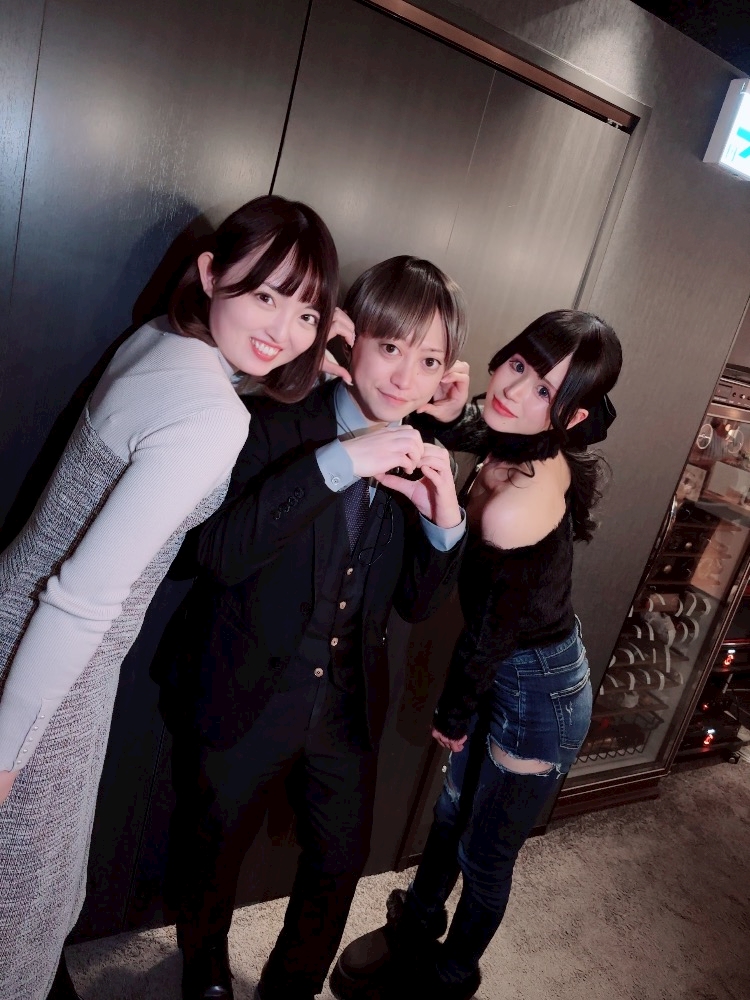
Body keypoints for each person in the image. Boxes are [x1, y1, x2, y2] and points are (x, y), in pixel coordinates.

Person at [0, 194, 344, 1000]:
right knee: (19, 922)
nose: (283, 330)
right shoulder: (213, 419)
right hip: (51, 673)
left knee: (35, 907)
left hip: (15, 618)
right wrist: (8, 751)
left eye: (306, 313)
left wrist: (303, 345)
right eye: (266, 295)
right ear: (210, 273)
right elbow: (81, 600)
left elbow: (194, 403)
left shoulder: (162, 338)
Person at [157, 255, 471, 1000]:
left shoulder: (421, 455)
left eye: (428, 361)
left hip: (345, 708)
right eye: (389, 347)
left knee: (338, 865)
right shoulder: (272, 423)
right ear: (348, 337)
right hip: (246, 686)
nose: (404, 377)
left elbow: (416, 605)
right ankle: (205, 974)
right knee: (213, 850)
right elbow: (212, 556)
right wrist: (337, 462)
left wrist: (446, 519)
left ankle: (291, 987)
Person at [332, 309, 623, 1000]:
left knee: (485, 853)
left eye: (544, 389)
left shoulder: (520, 504)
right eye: (519, 364)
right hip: (513, 664)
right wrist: (446, 414)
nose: (514, 390)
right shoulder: (518, 436)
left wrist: (455, 711)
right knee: (451, 810)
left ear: (572, 416)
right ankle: (417, 924)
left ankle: (451, 974)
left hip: (539, 691)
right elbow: (484, 430)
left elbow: (492, 630)